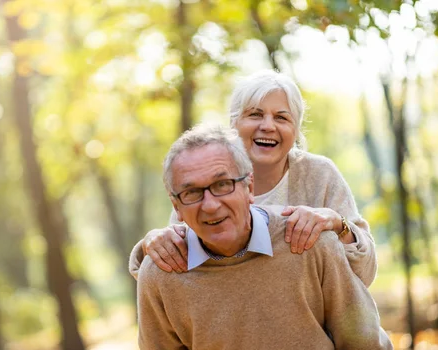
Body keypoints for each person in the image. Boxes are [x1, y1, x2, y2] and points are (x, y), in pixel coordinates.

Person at [135, 124, 407, 350]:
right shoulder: (162, 273)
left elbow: (362, 338)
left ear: (249, 186)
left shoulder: (308, 242)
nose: (210, 205)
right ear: (176, 206)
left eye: (222, 184)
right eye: (192, 193)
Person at [130, 70, 375, 289]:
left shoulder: (319, 174)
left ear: (296, 130)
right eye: (255, 114)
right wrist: (151, 244)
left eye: (281, 117)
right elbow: (176, 270)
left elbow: (365, 274)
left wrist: (338, 224)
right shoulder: (203, 179)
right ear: (234, 124)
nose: (268, 126)